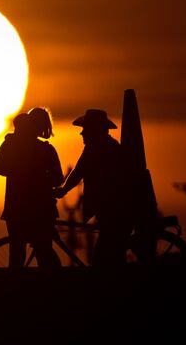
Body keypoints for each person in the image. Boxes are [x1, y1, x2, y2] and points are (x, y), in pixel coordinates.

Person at [52, 109, 133, 267]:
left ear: (94, 130)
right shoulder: (105, 146)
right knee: (112, 256)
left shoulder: (99, 149)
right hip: (113, 210)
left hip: (114, 211)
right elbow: (79, 172)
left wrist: (63, 190)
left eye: (85, 130)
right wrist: (64, 189)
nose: (82, 134)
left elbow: (79, 172)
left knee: (102, 258)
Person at [0, 108, 64, 269]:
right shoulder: (46, 149)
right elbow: (58, 179)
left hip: (16, 207)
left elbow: (1, 169)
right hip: (42, 208)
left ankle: (17, 288)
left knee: (17, 253)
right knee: (44, 251)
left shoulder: (10, 145)